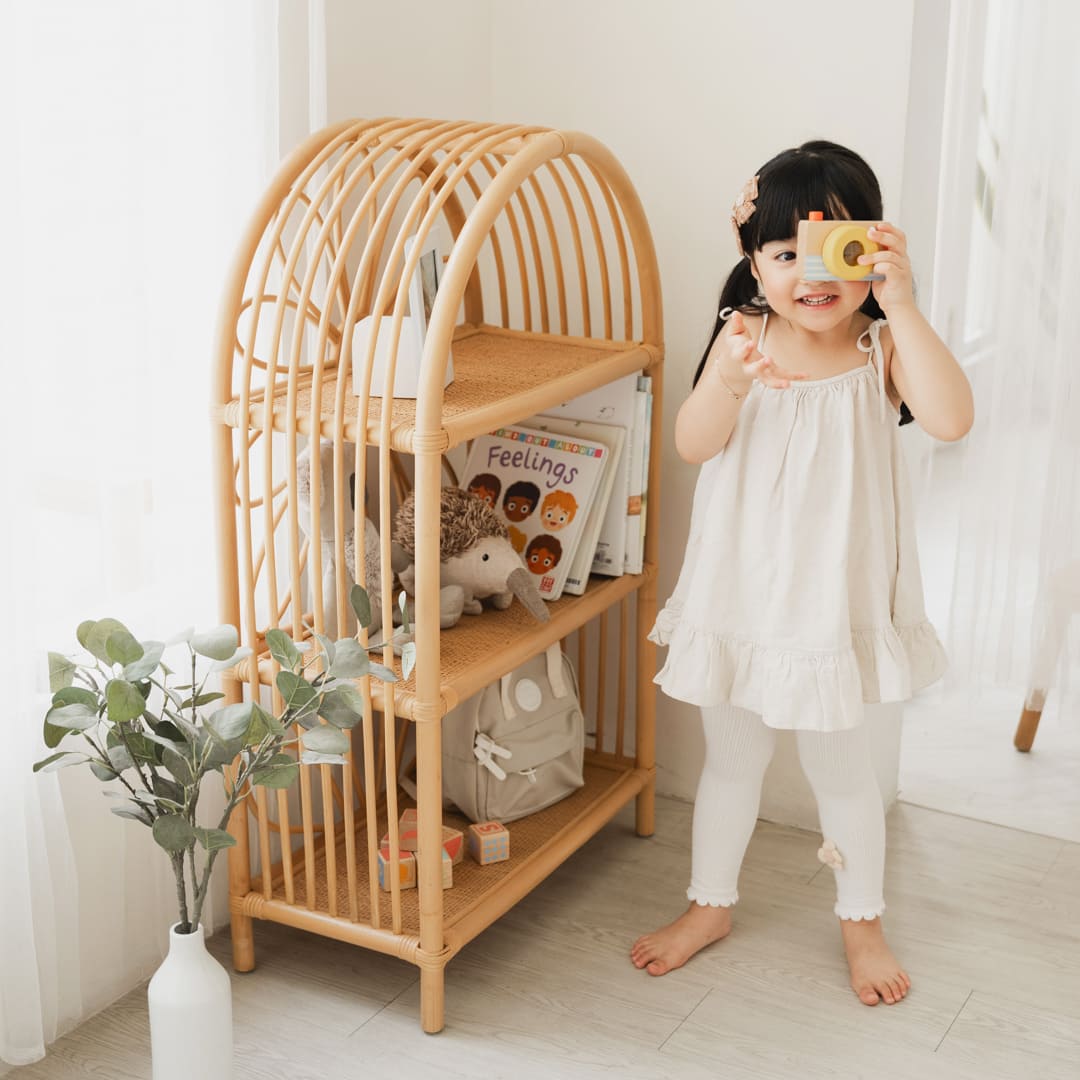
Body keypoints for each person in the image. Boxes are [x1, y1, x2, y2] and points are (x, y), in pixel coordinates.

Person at [631, 141, 974, 1006]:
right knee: (730, 763)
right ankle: (709, 905)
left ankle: (862, 919)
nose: (808, 275)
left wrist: (904, 303)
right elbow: (691, 444)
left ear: (870, 250)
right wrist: (733, 385)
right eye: (785, 254)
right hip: (743, 596)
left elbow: (952, 419)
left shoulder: (880, 348)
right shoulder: (743, 335)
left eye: (833, 253)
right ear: (753, 261)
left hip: (830, 607)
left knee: (844, 775)